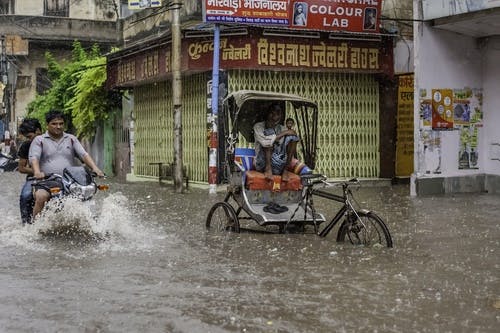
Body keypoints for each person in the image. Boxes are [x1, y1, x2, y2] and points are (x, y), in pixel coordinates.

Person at [29, 110, 104, 221]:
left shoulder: (71, 139)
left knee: (87, 194)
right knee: (41, 196)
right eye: (54, 124)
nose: (58, 126)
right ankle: (34, 227)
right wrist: (37, 172)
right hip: (47, 181)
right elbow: (34, 158)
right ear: (47, 125)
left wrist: (95, 168)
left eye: (61, 123)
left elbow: (83, 154)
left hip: (70, 181)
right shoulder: (39, 140)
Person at [253, 104, 299, 182]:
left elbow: (289, 138)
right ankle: (268, 169)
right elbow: (266, 142)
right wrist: (284, 133)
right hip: (263, 164)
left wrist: (289, 133)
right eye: (272, 113)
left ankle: (286, 170)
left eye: (278, 114)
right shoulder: (258, 126)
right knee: (269, 134)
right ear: (267, 114)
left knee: (292, 137)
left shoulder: (281, 128)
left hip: (278, 164)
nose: (275, 117)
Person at [17, 118, 42, 224]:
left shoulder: (51, 141)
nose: (30, 140)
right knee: (25, 196)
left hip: (56, 175)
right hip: (34, 178)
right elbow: (21, 168)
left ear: (38, 131)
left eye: (30, 136)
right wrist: (37, 172)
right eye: (27, 137)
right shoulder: (26, 145)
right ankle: (26, 224)